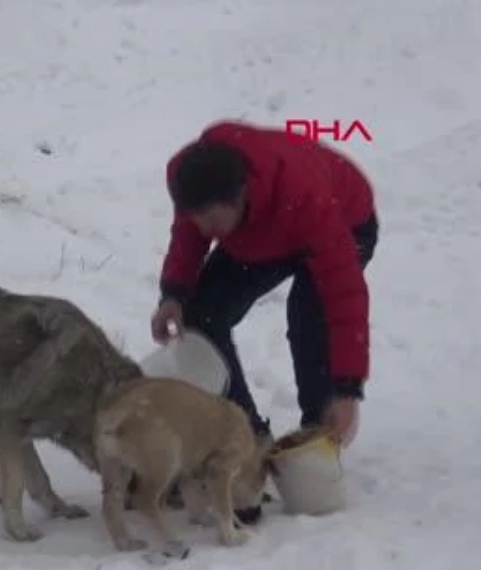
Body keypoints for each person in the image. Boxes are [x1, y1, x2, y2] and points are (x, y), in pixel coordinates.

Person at [150, 119, 379, 449]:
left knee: (310, 317)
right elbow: (188, 237)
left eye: (213, 221)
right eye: (199, 221)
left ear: (240, 195)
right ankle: (245, 436)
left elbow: (344, 297)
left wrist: (346, 389)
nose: (206, 231)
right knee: (202, 314)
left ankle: (319, 437)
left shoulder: (304, 197)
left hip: (344, 220)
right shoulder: (195, 180)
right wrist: (173, 294)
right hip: (263, 232)